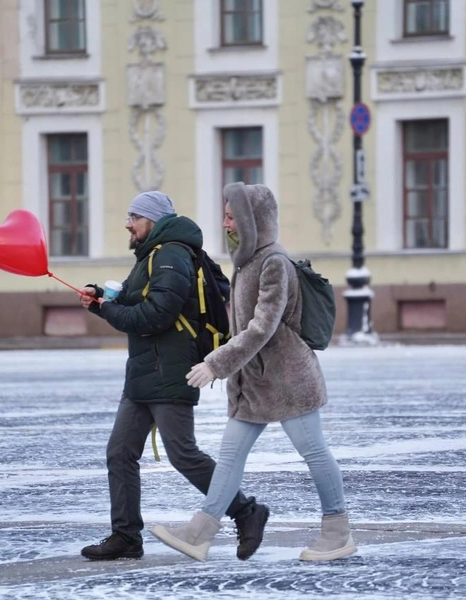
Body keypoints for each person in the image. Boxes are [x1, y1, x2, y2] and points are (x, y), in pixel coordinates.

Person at [151, 182, 356, 562]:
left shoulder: (273, 262)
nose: (225, 223)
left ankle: (337, 530)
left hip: (288, 380)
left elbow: (262, 327)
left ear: (251, 220)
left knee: (313, 451)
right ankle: (200, 532)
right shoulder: (247, 261)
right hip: (254, 384)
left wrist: (216, 364)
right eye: (226, 215)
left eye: (232, 216)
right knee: (229, 457)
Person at [78, 191, 269, 561]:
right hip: (145, 371)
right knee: (119, 453)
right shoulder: (153, 254)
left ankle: (246, 512)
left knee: (183, 454)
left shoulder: (170, 254)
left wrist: (109, 311)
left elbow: (156, 316)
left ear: (152, 220)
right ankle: (126, 536)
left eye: (134, 216)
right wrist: (103, 300)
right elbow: (139, 305)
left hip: (168, 369)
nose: (128, 223)